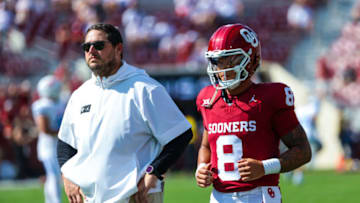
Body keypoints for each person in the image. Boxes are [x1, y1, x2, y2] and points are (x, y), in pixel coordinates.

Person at [56, 23, 193, 203]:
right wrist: (68, 176)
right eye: (86, 47)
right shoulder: (80, 94)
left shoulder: (144, 88)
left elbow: (181, 135)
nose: (91, 51)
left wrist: (154, 171)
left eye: (98, 45)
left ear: (118, 48)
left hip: (137, 196)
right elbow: (65, 143)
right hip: (91, 198)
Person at [195, 23, 312, 203]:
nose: (222, 68)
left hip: (260, 195)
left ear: (251, 60)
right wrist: (201, 168)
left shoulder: (271, 96)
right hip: (218, 197)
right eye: (218, 61)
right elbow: (205, 146)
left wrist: (265, 167)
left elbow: (303, 151)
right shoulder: (207, 98)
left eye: (230, 60)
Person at [32, 75, 65, 203]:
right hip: (48, 146)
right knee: (54, 176)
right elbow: (45, 130)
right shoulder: (42, 106)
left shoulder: (61, 102)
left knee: (53, 176)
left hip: (58, 145)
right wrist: (64, 132)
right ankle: (56, 201)